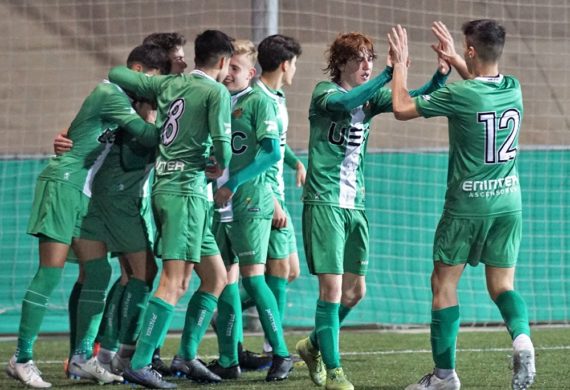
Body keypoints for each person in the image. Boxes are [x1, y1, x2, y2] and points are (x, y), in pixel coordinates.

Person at [295, 32, 449, 390]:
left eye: (371, 58)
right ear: (342, 63)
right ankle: (334, 372)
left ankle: (313, 344)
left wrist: (440, 77)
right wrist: (388, 72)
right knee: (331, 291)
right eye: (360, 59)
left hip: (355, 205)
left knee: (355, 292)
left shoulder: (370, 98)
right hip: (325, 204)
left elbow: (408, 100)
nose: (367, 65)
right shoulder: (324, 92)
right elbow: (347, 100)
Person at [388, 20, 535, 390]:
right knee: (502, 285)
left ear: (472, 50)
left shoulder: (461, 95)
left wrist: (401, 64)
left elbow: (402, 107)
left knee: (443, 283)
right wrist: (455, 57)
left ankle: (444, 376)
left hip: (467, 204)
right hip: (509, 201)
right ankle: (522, 340)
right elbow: (479, 81)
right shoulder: (512, 88)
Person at [5, 45, 163, 389]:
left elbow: (82, 132)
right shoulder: (111, 92)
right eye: (153, 78)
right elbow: (150, 135)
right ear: (138, 70)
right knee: (50, 272)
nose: (154, 86)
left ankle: (80, 357)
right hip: (63, 183)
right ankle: (22, 357)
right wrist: (184, 122)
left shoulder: (120, 98)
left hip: (85, 193)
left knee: (99, 270)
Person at [107, 29, 234, 389]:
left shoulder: (169, 86)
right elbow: (223, 147)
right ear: (223, 62)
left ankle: (185, 356)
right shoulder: (215, 91)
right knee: (174, 282)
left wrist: (161, 73)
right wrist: (219, 166)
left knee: (216, 278)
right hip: (186, 194)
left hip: (168, 189)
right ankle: (141, 362)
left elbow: (117, 73)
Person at [206, 39, 293, 382]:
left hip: (249, 201)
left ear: (251, 73)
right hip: (220, 202)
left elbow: (271, 153)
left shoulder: (260, 102)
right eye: (227, 67)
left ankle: (281, 354)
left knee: (254, 279)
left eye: (236, 69)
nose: (228, 74)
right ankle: (229, 359)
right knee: (223, 280)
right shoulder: (218, 101)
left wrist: (234, 182)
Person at [236, 33, 305, 366]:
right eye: (295, 64)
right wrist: (273, 201)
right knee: (274, 270)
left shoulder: (276, 96)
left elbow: (277, 143)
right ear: (284, 64)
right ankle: (266, 342)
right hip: (263, 194)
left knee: (289, 271)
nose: (296, 70)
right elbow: (257, 152)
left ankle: (228, 307)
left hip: (273, 190)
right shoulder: (258, 98)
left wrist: (296, 163)